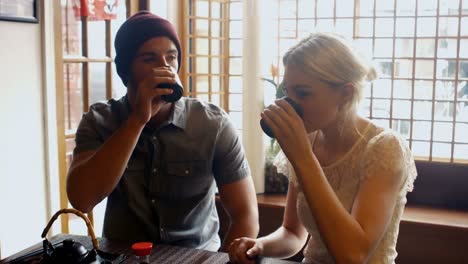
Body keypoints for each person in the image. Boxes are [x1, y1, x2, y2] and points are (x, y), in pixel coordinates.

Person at [66, 11, 259, 252]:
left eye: (171, 57)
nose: (164, 67)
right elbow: (81, 200)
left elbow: (245, 214)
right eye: (149, 58)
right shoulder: (99, 120)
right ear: (126, 69)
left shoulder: (212, 124)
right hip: (124, 256)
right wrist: (137, 121)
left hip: (197, 256)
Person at [228, 32, 417, 264]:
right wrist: (260, 245)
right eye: (288, 92)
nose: (291, 103)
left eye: (303, 93)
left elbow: (353, 256)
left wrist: (303, 158)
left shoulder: (384, 148)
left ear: (345, 94)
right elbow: (293, 233)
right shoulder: (308, 140)